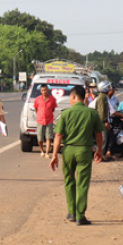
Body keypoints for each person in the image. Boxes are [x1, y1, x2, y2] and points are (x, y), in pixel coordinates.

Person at [49, 85, 104, 226]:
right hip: (85, 151)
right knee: (82, 183)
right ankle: (80, 216)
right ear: (84, 97)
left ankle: (72, 212)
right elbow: (99, 135)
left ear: (73, 97)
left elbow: (58, 135)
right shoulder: (92, 114)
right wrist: (99, 151)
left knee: (69, 181)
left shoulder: (66, 113)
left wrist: (54, 155)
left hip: (68, 151)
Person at [33, 84, 57, 158]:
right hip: (40, 120)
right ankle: (42, 150)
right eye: (43, 90)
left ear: (48, 90)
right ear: (41, 91)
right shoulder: (38, 99)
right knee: (40, 138)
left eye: (46, 90)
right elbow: (36, 109)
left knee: (48, 137)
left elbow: (53, 109)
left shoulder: (52, 99)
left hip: (49, 120)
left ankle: (47, 153)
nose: (44, 92)